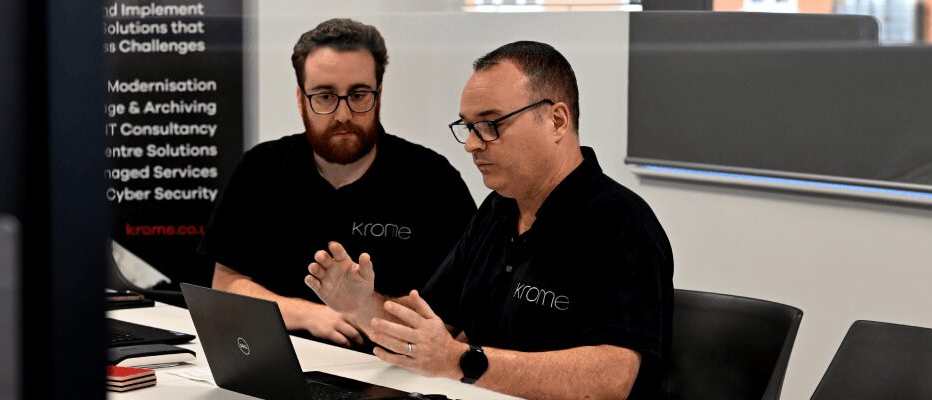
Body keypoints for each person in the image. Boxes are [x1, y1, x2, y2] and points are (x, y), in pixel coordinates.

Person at [306, 41, 674, 399]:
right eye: (468, 126)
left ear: (557, 120)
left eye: (490, 124)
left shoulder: (623, 224)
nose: (472, 144)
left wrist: (463, 361)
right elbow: (428, 333)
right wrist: (361, 305)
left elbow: (614, 377)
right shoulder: (497, 211)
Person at [198, 18, 474, 348]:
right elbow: (226, 282)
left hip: (390, 371)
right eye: (325, 96)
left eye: (358, 95)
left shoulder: (433, 181)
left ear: (379, 95)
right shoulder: (261, 168)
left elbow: (451, 323)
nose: (343, 114)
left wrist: (362, 308)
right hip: (276, 359)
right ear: (301, 99)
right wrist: (308, 314)